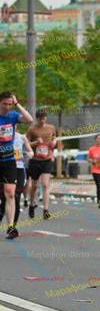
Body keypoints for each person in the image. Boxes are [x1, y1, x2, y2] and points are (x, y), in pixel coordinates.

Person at [0, 91, 33, 239]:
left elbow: (29, 119)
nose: (7, 107)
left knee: (10, 193)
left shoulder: (13, 116)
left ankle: (11, 227)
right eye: (4, 104)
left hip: (9, 160)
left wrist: (17, 103)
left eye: (9, 104)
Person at [26, 108, 57, 220]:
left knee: (45, 184)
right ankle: (31, 204)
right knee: (34, 185)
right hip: (35, 161)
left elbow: (54, 138)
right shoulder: (32, 129)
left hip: (46, 160)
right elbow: (26, 144)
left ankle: (45, 210)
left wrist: (54, 144)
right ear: (37, 118)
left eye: (44, 117)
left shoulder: (51, 127)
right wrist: (36, 142)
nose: (42, 119)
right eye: (40, 117)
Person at [0, 129, 31, 230]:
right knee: (5, 198)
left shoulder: (22, 137)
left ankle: (12, 227)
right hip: (6, 168)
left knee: (15, 197)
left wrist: (30, 153)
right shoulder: (2, 136)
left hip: (19, 169)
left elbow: (30, 150)